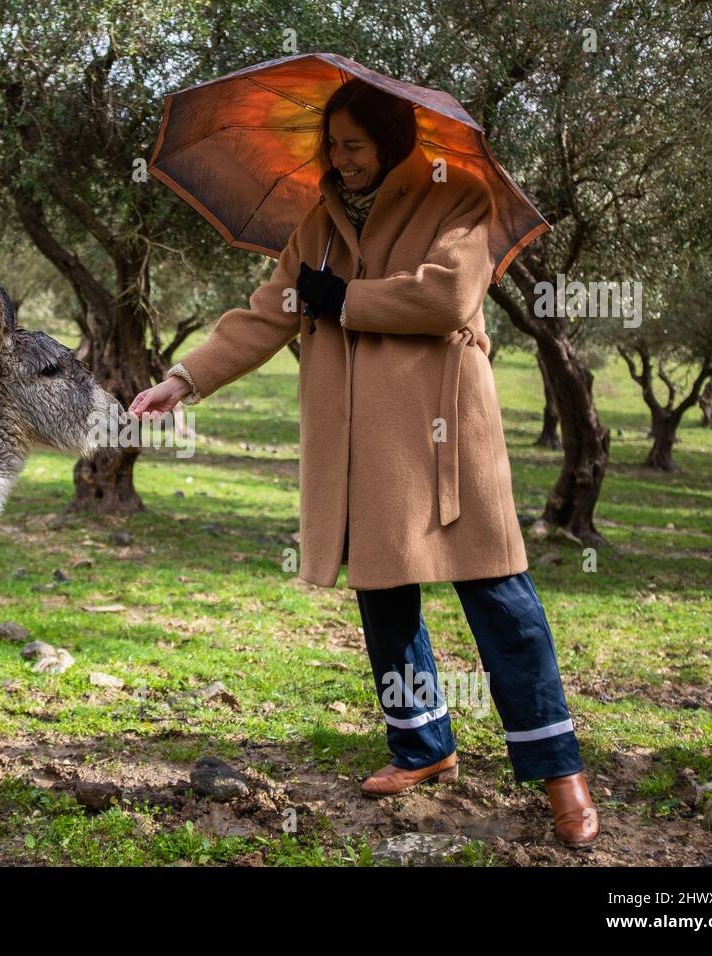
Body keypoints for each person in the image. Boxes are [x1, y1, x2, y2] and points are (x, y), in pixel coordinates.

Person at [129, 78, 599, 848]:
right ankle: (422, 744)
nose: (338, 159)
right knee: (383, 595)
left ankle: (559, 771)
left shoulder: (461, 200)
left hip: (446, 440)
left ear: (394, 141)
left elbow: (447, 297)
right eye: (332, 145)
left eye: (352, 145)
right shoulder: (316, 222)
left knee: (501, 602)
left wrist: (342, 300)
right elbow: (267, 311)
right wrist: (184, 379)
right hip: (361, 447)